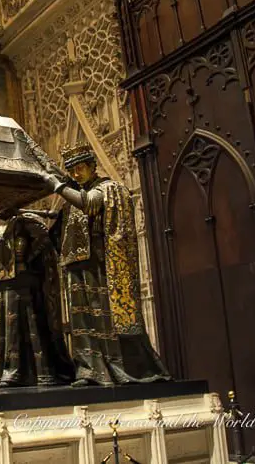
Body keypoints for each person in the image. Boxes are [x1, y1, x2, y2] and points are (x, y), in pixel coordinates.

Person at [39, 143, 171, 386]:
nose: (76, 175)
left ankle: (120, 369)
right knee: (81, 323)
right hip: (76, 266)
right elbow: (62, 226)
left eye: (80, 168)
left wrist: (57, 184)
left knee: (104, 319)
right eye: (72, 171)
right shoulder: (74, 198)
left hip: (100, 268)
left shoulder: (107, 189)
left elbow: (89, 203)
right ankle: (89, 371)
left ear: (92, 166)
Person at [0, 212, 75, 387]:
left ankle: (43, 372)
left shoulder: (28, 223)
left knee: (32, 326)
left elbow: (45, 240)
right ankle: (11, 373)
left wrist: (27, 258)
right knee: (9, 331)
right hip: (4, 286)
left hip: (26, 284)